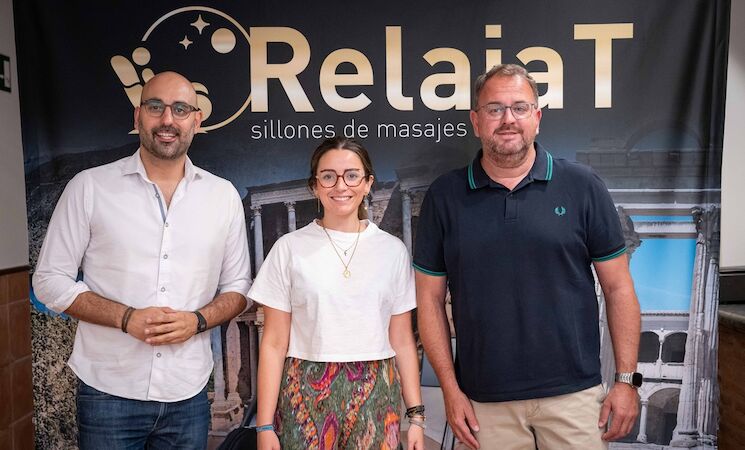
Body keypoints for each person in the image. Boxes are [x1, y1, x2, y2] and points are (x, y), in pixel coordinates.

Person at [413, 64, 641, 450]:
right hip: (484, 404)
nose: (508, 119)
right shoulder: (444, 196)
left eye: (520, 108)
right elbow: (430, 301)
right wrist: (450, 390)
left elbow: (618, 288)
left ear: (537, 117)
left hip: (575, 398)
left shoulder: (583, 186)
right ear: (476, 121)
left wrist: (625, 381)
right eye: (494, 109)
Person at [33, 71, 251, 449]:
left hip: (188, 393)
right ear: (138, 116)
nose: (167, 119)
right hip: (108, 392)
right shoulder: (90, 187)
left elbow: (239, 287)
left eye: (180, 109)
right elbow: (49, 280)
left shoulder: (223, 196)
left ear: (196, 121)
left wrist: (197, 321)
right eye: (155, 107)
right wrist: (126, 318)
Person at [251, 136, 425, 450]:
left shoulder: (392, 251)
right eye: (328, 176)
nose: (341, 186)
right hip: (304, 389)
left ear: (367, 183)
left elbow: (401, 339)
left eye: (352, 175)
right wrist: (264, 425)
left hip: (377, 389)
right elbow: (274, 343)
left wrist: (416, 417)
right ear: (315, 186)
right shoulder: (288, 249)